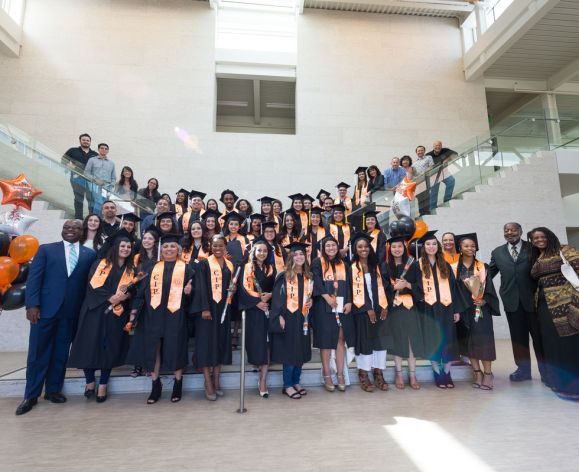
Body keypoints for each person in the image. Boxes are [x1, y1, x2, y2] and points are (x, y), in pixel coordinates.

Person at [16, 220, 97, 416]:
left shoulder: (90, 254)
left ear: (82, 231)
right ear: (62, 230)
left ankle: (53, 390)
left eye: (75, 228)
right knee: (38, 352)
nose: (70, 231)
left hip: (70, 313)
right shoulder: (46, 250)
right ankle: (31, 395)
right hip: (44, 311)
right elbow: (34, 279)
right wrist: (32, 305)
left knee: (61, 353)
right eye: (67, 228)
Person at [68, 229, 136, 403]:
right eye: (122, 245)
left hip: (116, 313)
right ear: (115, 247)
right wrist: (109, 297)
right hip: (94, 310)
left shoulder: (131, 269)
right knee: (88, 345)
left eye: (128, 246)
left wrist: (126, 296)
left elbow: (132, 290)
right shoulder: (100, 263)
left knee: (110, 347)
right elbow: (92, 285)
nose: (126, 248)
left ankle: (103, 383)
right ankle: (90, 381)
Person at [127, 234, 194, 404]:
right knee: (153, 349)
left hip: (176, 315)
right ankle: (155, 385)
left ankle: (177, 384)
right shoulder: (149, 268)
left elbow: (194, 295)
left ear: (178, 250)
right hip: (152, 315)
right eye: (165, 247)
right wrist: (133, 314)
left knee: (176, 347)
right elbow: (140, 293)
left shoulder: (188, 269)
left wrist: (189, 292)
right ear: (160, 249)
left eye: (173, 247)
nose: (169, 249)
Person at [528, 227, 579, 401]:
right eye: (535, 238)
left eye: (542, 236)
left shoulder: (564, 249)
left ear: (550, 236)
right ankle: (559, 383)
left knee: (569, 345)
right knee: (552, 346)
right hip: (544, 308)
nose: (539, 240)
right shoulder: (537, 256)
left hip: (565, 305)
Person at [489, 222, 544, 382]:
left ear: (520, 231)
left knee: (539, 338)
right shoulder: (497, 252)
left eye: (513, 230)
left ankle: (546, 372)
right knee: (518, 339)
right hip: (511, 302)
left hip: (533, 300)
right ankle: (523, 370)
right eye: (506, 230)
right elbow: (488, 274)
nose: (510, 232)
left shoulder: (533, 248)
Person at [452, 233, 500, 391]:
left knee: (484, 341)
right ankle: (477, 373)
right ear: (460, 248)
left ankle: (488, 374)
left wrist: (485, 300)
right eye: (466, 246)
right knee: (469, 342)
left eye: (472, 246)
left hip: (480, 309)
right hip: (463, 310)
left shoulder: (483, 267)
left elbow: (490, 288)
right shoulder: (453, 268)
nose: (470, 248)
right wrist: (456, 309)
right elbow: (452, 291)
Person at [191, 235, 235, 401]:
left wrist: (233, 288)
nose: (218, 249)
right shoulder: (203, 264)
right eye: (215, 246)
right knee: (205, 344)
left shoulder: (230, 265)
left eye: (221, 246)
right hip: (208, 310)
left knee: (220, 342)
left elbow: (230, 287)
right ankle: (207, 380)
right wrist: (204, 308)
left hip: (223, 309)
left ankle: (217, 378)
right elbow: (200, 287)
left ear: (225, 247)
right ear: (211, 246)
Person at [269, 241, 313, 400]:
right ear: (291, 257)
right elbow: (277, 299)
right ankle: (287, 385)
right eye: (296, 254)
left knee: (300, 350)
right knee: (289, 351)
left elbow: (308, 296)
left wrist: (311, 302)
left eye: (302, 254)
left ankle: (296, 381)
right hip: (288, 317)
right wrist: (279, 316)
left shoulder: (308, 276)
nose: (299, 256)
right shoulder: (284, 275)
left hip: (303, 317)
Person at [418, 230, 461, 389]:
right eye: (428, 244)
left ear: (438, 246)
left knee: (449, 339)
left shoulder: (446, 265)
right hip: (429, 309)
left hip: (447, 307)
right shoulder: (419, 265)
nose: (431, 246)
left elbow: (454, 288)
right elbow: (415, 287)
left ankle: (447, 372)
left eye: (434, 244)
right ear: (424, 247)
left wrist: (456, 309)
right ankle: (437, 372)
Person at [311, 236, 353, 392]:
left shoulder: (344, 263)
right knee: (325, 340)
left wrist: (349, 301)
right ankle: (327, 374)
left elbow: (348, 284)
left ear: (337, 247)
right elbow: (315, 280)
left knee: (340, 338)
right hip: (323, 305)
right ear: (324, 248)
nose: (330, 248)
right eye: (327, 246)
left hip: (341, 305)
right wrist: (326, 297)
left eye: (333, 245)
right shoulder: (317, 262)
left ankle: (341, 374)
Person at [350, 232, 390, 392]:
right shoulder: (352, 268)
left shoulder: (376, 266)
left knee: (380, 342)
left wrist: (384, 306)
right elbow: (353, 291)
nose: (363, 249)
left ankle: (378, 372)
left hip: (380, 309)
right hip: (362, 311)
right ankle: (364, 374)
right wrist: (367, 308)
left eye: (366, 246)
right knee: (365, 342)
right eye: (360, 246)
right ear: (355, 249)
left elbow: (383, 288)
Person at [385, 236, 424, 390]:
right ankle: (399, 373)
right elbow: (382, 286)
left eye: (399, 247)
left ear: (404, 248)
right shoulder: (385, 265)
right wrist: (393, 288)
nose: (397, 249)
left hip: (409, 307)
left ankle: (413, 374)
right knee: (397, 339)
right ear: (390, 249)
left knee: (411, 340)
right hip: (394, 307)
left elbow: (419, 286)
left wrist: (407, 284)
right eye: (393, 247)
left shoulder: (413, 265)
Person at [239, 239, 276, 397]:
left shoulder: (271, 268)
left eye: (265, 251)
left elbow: (278, 287)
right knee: (257, 343)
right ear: (253, 252)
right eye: (259, 250)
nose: (262, 253)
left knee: (268, 344)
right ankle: (259, 371)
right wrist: (256, 303)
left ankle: (263, 380)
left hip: (269, 309)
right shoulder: (247, 268)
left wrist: (271, 295)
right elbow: (242, 290)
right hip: (254, 311)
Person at [62, 133, 98, 219]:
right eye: (84, 140)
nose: (86, 142)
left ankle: (91, 217)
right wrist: (68, 165)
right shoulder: (73, 150)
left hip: (90, 180)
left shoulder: (95, 154)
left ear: (90, 142)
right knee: (79, 197)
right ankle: (78, 218)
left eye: (88, 140)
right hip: (76, 178)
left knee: (91, 199)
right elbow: (63, 160)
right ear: (80, 141)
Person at [85, 143, 116, 214]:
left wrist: (111, 186)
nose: (104, 150)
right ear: (98, 149)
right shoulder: (92, 160)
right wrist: (95, 180)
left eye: (106, 149)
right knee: (99, 202)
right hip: (95, 185)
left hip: (107, 187)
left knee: (105, 203)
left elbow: (113, 177)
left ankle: (101, 220)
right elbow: (86, 173)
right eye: (102, 148)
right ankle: (97, 218)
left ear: (108, 151)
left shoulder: (111, 163)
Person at [427, 140, 456, 211]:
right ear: (433, 147)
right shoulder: (428, 155)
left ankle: (447, 200)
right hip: (434, 174)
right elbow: (425, 165)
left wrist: (448, 159)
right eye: (436, 145)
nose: (438, 147)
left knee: (451, 181)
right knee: (434, 191)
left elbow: (455, 154)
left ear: (441, 146)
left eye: (439, 145)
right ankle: (432, 208)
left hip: (444, 172)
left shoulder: (445, 150)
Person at [412, 145, 434, 215]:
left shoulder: (428, 157)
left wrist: (424, 172)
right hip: (419, 181)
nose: (420, 152)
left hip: (426, 178)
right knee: (419, 196)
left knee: (427, 194)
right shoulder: (414, 163)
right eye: (418, 151)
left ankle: (427, 211)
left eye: (421, 150)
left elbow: (431, 166)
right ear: (416, 152)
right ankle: (421, 212)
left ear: (424, 151)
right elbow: (413, 174)